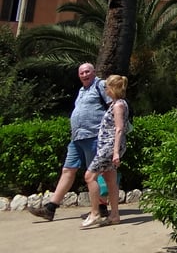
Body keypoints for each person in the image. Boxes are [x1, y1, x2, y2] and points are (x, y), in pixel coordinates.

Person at [29, 63, 108, 222]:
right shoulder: (81, 90)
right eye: (81, 73)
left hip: (94, 136)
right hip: (76, 138)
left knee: (96, 173)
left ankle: (101, 208)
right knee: (67, 170)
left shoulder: (101, 85)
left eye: (87, 71)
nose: (85, 75)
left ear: (93, 72)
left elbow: (113, 106)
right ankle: (50, 208)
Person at [82, 74, 129, 228]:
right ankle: (114, 215)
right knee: (110, 178)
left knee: (89, 176)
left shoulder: (118, 105)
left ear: (113, 88)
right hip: (107, 146)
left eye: (107, 86)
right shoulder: (117, 104)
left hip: (109, 147)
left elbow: (119, 128)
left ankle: (94, 213)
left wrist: (115, 152)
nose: (105, 89)